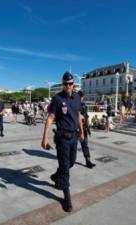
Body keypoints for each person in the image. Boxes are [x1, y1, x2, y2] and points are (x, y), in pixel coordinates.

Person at [41, 71, 85, 212]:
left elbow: (78, 115)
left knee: (71, 162)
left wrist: (82, 132)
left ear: (73, 84)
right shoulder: (57, 99)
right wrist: (45, 138)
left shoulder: (77, 98)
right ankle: (66, 197)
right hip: (62, 139)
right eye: (65, 84)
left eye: (70, 83)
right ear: (62, 84)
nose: (68, 86)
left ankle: (55, 176)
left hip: (74, 137)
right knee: (65, 168)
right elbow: (50, 118)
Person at [77, 91, 96, 169]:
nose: (82, 98)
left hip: (84, 128)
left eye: (82, 97)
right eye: (81, 97)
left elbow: (86, 117)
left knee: (85, 145)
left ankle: (88, 160)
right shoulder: (74, 105)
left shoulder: (84, 105)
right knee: (72, 146)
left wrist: (88, 129)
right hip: (76, 128)